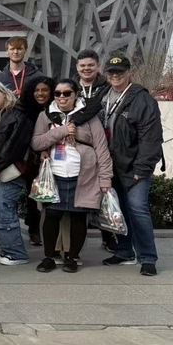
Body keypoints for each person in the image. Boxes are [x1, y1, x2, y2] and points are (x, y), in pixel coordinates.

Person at [31, 79, 114, 273]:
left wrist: (105, 179)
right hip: (54, 175)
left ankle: (72, 257)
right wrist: (62, 131)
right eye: (58, 93)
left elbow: (102, 149)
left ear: (76, 95)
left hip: (83, 176)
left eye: (66, 93)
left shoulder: (89, 118)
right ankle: (48, 257)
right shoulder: (46, 115)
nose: (61, 97)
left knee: (78, 217)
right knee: (51, 215)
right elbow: (36, 143)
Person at [99, 54, 163, 276]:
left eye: (120, 72)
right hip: (111, 165)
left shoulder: (142, 99)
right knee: (120, 210)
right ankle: (125, 250)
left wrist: (142, 169)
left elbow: (152, 138)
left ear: (129, 73)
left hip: (135, 166)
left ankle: (148, 258)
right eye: (112, 73)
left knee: (138, 210)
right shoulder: (103, 95)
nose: (116, 76)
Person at [0, 80, 34, 266]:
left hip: (11, 170)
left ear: (4, 93)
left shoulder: (17, 114)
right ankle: (7, 249)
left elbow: (14, 146)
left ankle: (17, 253)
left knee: (4, 209)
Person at [72, 49, 116, 251]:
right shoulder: (71, 87)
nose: (86, 69)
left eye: (90, 65)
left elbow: (96, 107)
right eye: (82, 66)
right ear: (77, 68)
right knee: (81, 196)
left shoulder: (106, 88)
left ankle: (109, 236)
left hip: (105, 143)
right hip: (78, 148)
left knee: (105, 191)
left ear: (98, 66)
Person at [22, 77, 56, 247]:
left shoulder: (57, 109)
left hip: (55, 158)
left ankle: (51, 230)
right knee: (33, 195)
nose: (40, 93)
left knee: (52, 197)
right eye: (37, 90)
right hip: (33, 159)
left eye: (44, 90)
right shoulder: (27, 110)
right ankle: (34, 229)